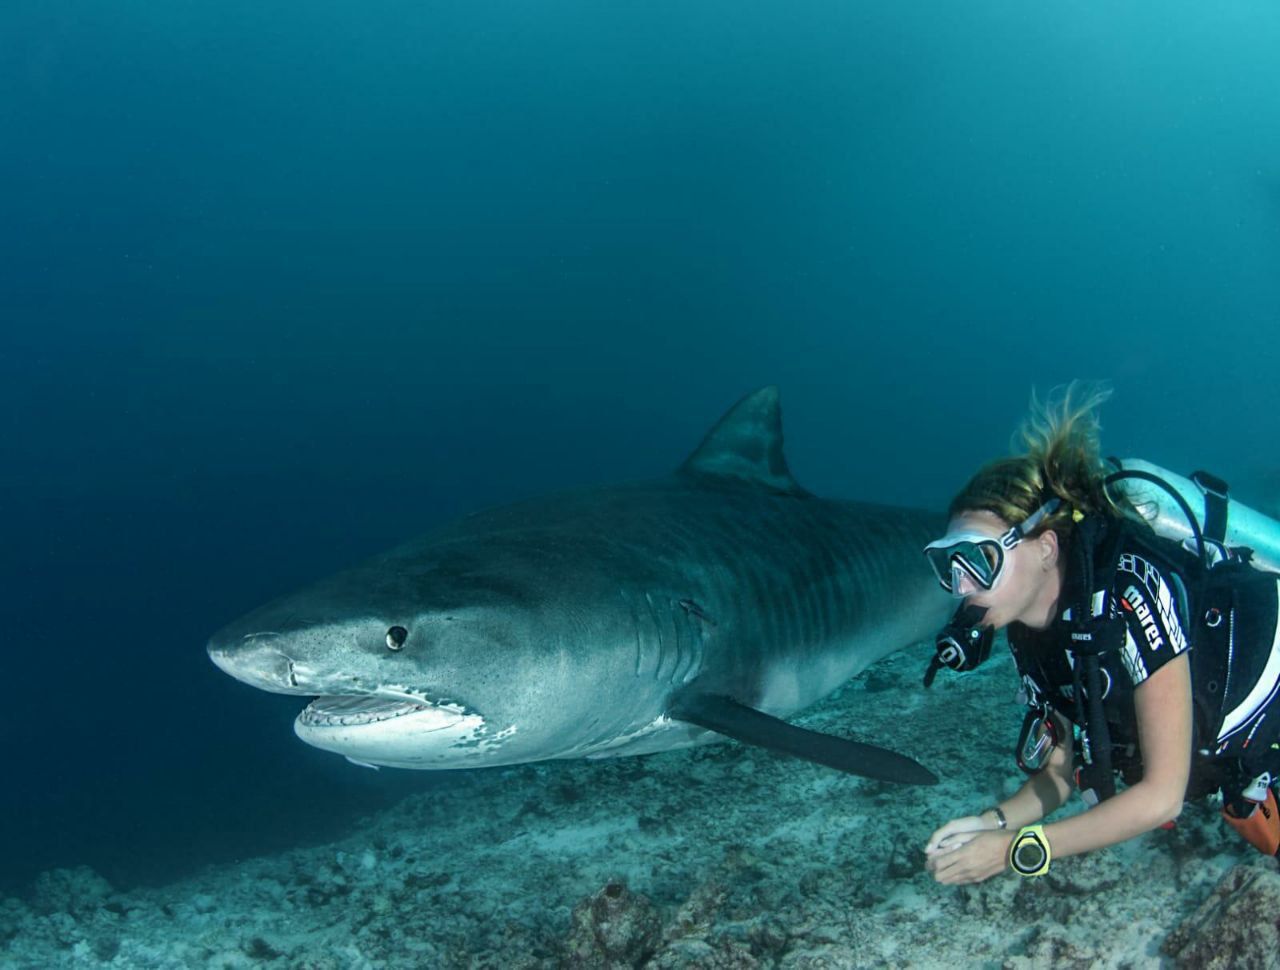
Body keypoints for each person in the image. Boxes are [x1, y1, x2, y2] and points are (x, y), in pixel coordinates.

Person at [919, 384, 1280, 885]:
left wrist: (1015, 851)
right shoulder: (1029, 631)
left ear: (1046, 547)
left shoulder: (1132, 592)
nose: (962, 587)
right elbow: (1059, 774)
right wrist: (990, 823)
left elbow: (1161, 796)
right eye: (947, 565)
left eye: (979, 561)